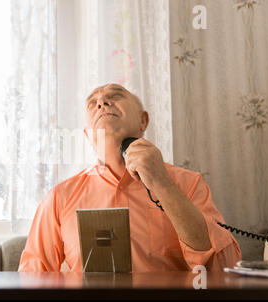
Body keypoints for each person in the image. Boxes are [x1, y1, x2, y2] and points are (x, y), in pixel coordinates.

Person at [18, 83, 241, 272]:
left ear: (143, 121)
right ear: (87, 135)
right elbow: (33, 277)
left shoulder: (189, 183)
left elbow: (222, 267)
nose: (102, 102)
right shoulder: (60, 197)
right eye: (92, 103)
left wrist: (162, 184)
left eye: (114, 96)